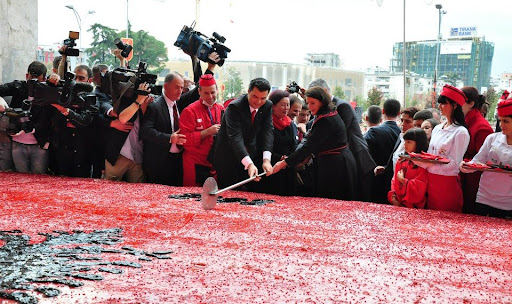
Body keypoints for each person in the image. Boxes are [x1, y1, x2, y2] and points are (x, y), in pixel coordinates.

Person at [272, 87, 357, 200]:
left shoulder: (326, 119)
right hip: (333, 162)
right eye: (308, 103)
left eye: (313, 103)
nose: (310, 107)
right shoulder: (325, 114)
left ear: (322, 102)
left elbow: (308, 146)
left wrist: (284, 163)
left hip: (336, 166)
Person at [307, 79, 374, 202]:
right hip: (331, 160)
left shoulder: (341, 106)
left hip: (350, 157)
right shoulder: (322, 107)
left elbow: (329, 132)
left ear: (325, 92)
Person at [413, 85, 470, 212]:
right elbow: (430, 154)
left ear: (455, 106)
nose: (440, 107)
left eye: (444, 104)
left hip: (447, 185)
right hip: (431, 182)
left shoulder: (461, 132)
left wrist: (427, 164)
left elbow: (454, 165)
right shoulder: (438, 128)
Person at [212, 78, 274, 189]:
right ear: (248, 91)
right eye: (255, 96)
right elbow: (235, 137)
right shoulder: (234, 107)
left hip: (250, 153)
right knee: (229, 194)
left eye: (263, 98)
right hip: (227, 156)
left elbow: (268, 132)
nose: (258, 102)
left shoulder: (267, 106)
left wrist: (266, 160)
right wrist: (249, 164)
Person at [460, 97, 512, 218]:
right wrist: (465, 166)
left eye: (506, 121)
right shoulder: (492, 138)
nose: (501, 125)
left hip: (508, 202)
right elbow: (477, 161)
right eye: (500, 121)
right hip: (485, 197)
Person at [0, 61, 52, 174]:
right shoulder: (18, 86)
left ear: (44, 79)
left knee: (39, 180)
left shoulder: (48, 92)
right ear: (26, 76)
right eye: (31, 80)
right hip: (18, 142)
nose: (33, 84)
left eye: (37, 81)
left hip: (39, 143)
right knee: (21, 181)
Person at [49, 65, 96, 178]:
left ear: (90, 81)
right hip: (61, 151)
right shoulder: (62, 95)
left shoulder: (92, 98)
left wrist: (66, 112)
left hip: (83, 154)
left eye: (81, 78)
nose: (77, 81)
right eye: (75, 78)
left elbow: (85, 121)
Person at [179, 74, 223, 186]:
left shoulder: (221, 109)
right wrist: (207, 132)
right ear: (199, 92)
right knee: (193, 199)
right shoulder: (189, 111)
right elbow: (184, 140)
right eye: (206, 93)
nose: (210, 96)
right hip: (195, 163)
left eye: (213, 92)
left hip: (214, 164)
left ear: (217, 90)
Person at [460, 86, 494, 214]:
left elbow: (484, 163)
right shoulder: (466, 122)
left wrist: (463, 162)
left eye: (458, 102)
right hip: (464, 178)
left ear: (471, 104)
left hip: (474, 185)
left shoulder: (482, 127)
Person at [259, 90, 298, 196]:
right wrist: (280, 158)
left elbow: (294, 144)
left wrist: (289, 158)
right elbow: (263, 146)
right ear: (273, 106)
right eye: (283, 105)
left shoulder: (290, 124)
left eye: (288, 105)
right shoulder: (266, 123)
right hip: (271, 168)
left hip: (287, 167)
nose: (286, 108)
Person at [364, 99, 401, 203]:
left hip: (376, 180)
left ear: (383, 111)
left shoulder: (374, 132)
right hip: (396, 181)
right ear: (399, 113)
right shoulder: (401, 133)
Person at [388, 128, 429, 208]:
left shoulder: (423, 164)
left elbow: (420, 186)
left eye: (409, 142)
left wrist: (403, 180)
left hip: (415, 207)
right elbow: (394, 181)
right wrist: (393, 198)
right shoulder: (401, 161)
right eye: (405, 141)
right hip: (398, 202)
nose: (405, 145)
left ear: (419, 143)